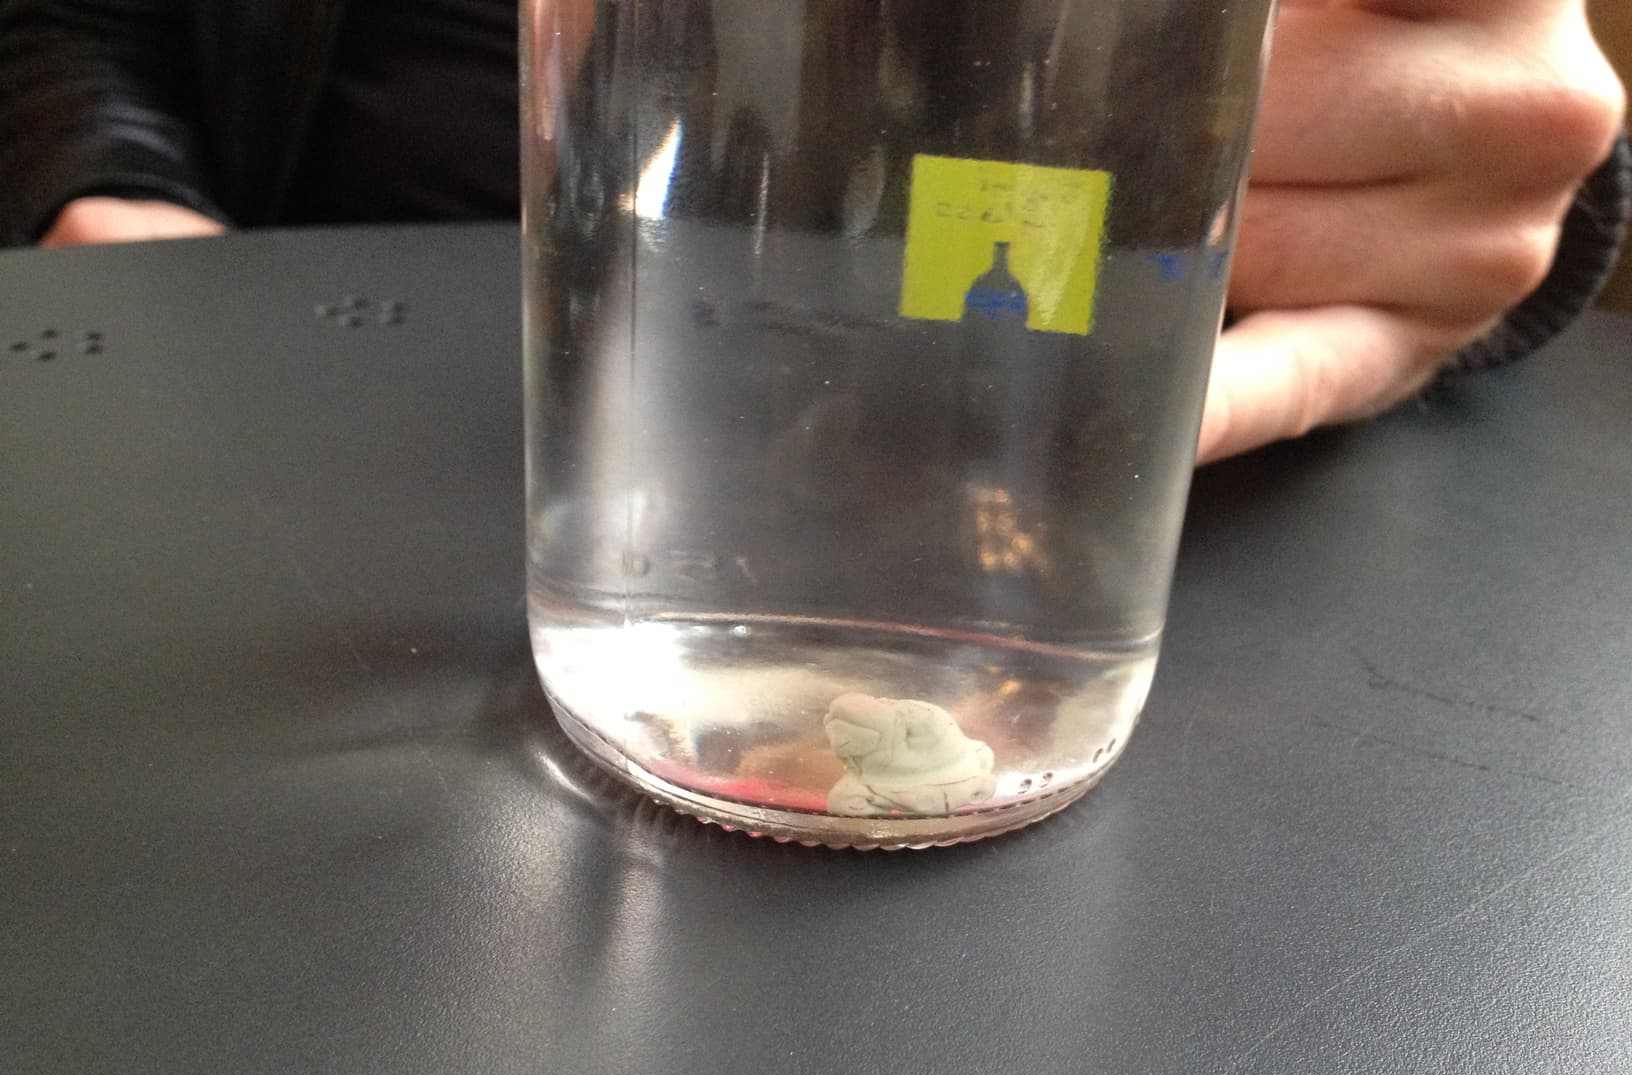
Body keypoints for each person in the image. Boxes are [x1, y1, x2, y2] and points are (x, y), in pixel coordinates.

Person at [1, 0, 1625, 465]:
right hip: (279, 412)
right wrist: (107, 190)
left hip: (931, 451)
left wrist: (1466, 167)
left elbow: (1464, 94)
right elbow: (76, 24)